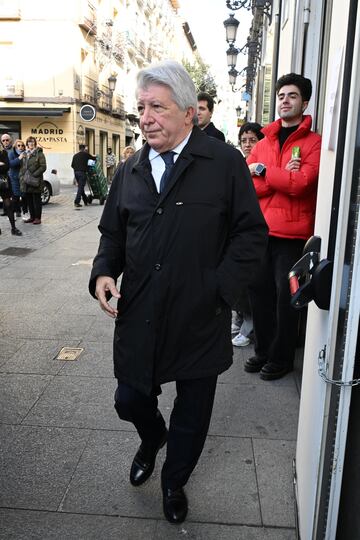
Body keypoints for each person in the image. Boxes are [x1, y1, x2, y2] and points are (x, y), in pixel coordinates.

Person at [89, 60, 268, 524]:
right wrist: (104, 272)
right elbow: (112, 233)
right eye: (141, 108)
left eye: (157, 108)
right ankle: (152, 438)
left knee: (193, 412)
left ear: (189, 112)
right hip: (141, 310)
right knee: (129, 399)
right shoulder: (131, 169)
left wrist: (220, 290)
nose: (145, 118)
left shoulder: (224, 163)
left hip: (199, 315)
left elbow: (251, 234)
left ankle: (174, 482)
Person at [245, 73, 321, 380]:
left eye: (291, 96)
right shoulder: (263, 142)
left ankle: (282, 357)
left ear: (304, 102)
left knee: (285, 298)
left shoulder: (314, 143)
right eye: (281, 96)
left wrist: (263, 171)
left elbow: (301, 184)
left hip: (292, 235)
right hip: (262, 231)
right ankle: (263, 351)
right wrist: (278, 177)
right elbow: (247, 184)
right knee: (258, 294)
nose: (284, 101)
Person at [232, 122, 264, 347]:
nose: (247, 144)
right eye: (244, 140)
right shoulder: (241, 163)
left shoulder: (263, 163)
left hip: (256, 229)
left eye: (252, 140)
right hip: (238, 229)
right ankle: (240, 318)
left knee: (251, 283)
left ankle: (248, 326)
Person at [19, 136, 46, 225]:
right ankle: (32, 217)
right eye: (29, 142)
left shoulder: (39, 153)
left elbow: (43, 167)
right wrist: (22, 177)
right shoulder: (25, 154)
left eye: (32, 142)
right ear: (27, 144)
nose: (31, 143)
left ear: (35, 143)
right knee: (29, 200)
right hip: (26, 181)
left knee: (36, 200)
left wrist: (34, 175)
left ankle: (38, 218)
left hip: (35, 180)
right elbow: (23, 167)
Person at [0, 141, 22, 235]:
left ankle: (13, 228)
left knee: (8, 205)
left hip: (4, 182)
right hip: (4, 179)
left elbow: (7, 167)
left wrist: (3, 165)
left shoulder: (3, 153)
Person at [8, 139, 26, 218]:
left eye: (22, 145)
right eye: (18, 145)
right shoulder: (11, 153)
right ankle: (16, 212)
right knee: (15, 197)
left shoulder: (25, 153)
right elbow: (10, 164)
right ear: (15, 146)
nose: (20, 147)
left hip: (24, 178)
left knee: (24, 196)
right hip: (14, 178)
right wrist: (19, 158)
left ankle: (25, 213)